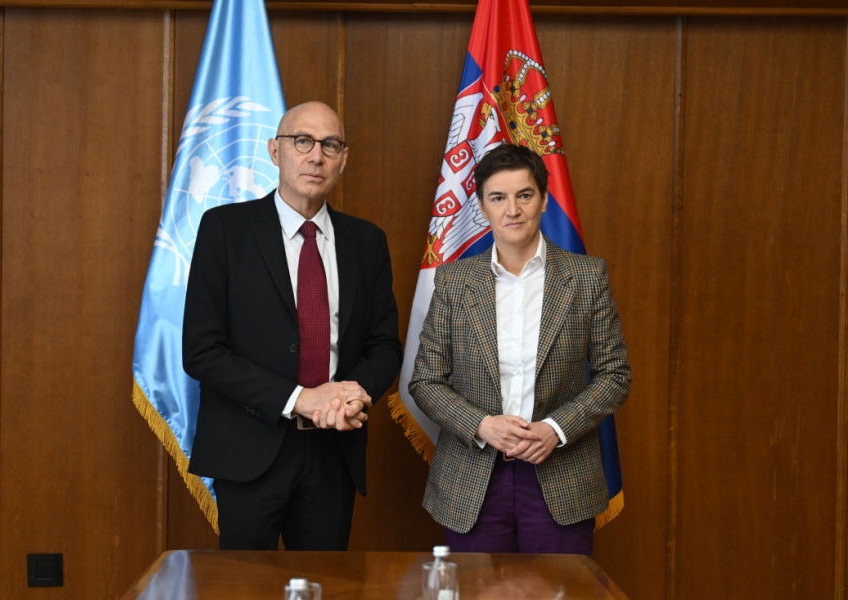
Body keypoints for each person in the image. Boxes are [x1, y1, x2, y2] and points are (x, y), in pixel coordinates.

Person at [182, 101, 402, 551]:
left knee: (325, 582)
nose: (316, 156)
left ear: (343, 158)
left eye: (330, 144)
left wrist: (349, 395)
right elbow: (201, 351)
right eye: (302, 141)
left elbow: (385, 347)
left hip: (333, 450)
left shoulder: (367, 241)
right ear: (274, 150)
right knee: (246, 583)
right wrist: (300, 399)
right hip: (249, 446)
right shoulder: (225, 229)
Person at [409, 143, 631, 555]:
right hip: (472, 480)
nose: (512, 210)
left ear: (544, 200)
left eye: (524, 195)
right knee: (475, 589)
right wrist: (481, 425)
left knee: (560, 587)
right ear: (482, 207)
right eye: (498, 198)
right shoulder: (454, 281)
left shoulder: (586, 276)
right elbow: (425, 381)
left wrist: (556, 429)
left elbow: (614, 375)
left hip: (560, 476)